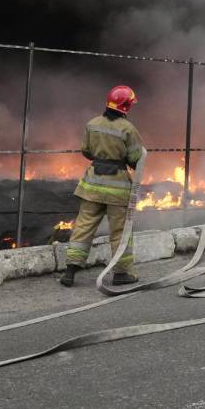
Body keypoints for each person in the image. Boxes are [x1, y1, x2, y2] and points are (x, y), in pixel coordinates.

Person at [61, 85, 145, 287]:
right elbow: (135, 158)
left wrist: (101, 157)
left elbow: (86, 151)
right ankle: (121, 273)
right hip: (117, 188)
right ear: (126, 106)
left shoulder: (92, 124)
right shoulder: (128, 129)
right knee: (120, 232)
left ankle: (71, 271)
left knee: (83, 227)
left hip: (92, 186)